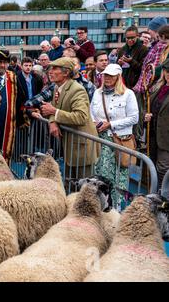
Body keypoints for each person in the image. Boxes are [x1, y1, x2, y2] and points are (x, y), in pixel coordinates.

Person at [90, 64, 139, 211]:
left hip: (120, 141)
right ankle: (101, 206)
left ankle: (116, 209)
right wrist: (96, 123)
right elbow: (91, 111)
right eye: (106, 75)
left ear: (118, 77)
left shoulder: (128, 94)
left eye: (111, 75)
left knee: (119, 177)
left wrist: (111, 124)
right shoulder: (97, 93)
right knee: (101, 175)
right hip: (101, 140)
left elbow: (134, 118)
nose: (108, 78)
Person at [39, 57, 98, 179]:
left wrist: (54, 112)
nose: (50, 71)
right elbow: (52, 109)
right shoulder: (57, 87)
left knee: (84, 188)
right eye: (50, 68)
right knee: (70, 183)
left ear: (66, 73)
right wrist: (52, 122)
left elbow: (81, 117)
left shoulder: (77, 90)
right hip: (69, 147)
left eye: (55, 68)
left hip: (82, 147)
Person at [144, 59, 169, 190]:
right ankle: (155, 196)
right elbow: (148, 106)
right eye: (167, 71)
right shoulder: (158, 88)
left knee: (163, 170)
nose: (168, 74)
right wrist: (146, 116)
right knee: (152, 167)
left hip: (166, 138)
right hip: (153, 135)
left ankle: (162, 198)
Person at [0, 49, 17, 162]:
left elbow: (21, 99)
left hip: (6, 124)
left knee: (3, 156)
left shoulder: (13, 77)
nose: (3, 65)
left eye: (5, 62)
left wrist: (29, 110)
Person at [117, 25, 149, 90]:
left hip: (136, 85)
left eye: (132, 38)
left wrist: (131, 61)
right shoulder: (122, 50)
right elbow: (117, 69)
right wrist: (119, 64)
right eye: (128, 38)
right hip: (122, 84)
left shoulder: (144, 49)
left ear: (137, 36)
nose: (130, 40)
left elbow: (143, 70)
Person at [16, 57, 44, 128]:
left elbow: (38, 92)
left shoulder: (36, 78)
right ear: (21, 66)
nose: (28, 67)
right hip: (22, 109)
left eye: (30, 65)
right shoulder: (17, 77)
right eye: (26, 65)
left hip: (34, 107)